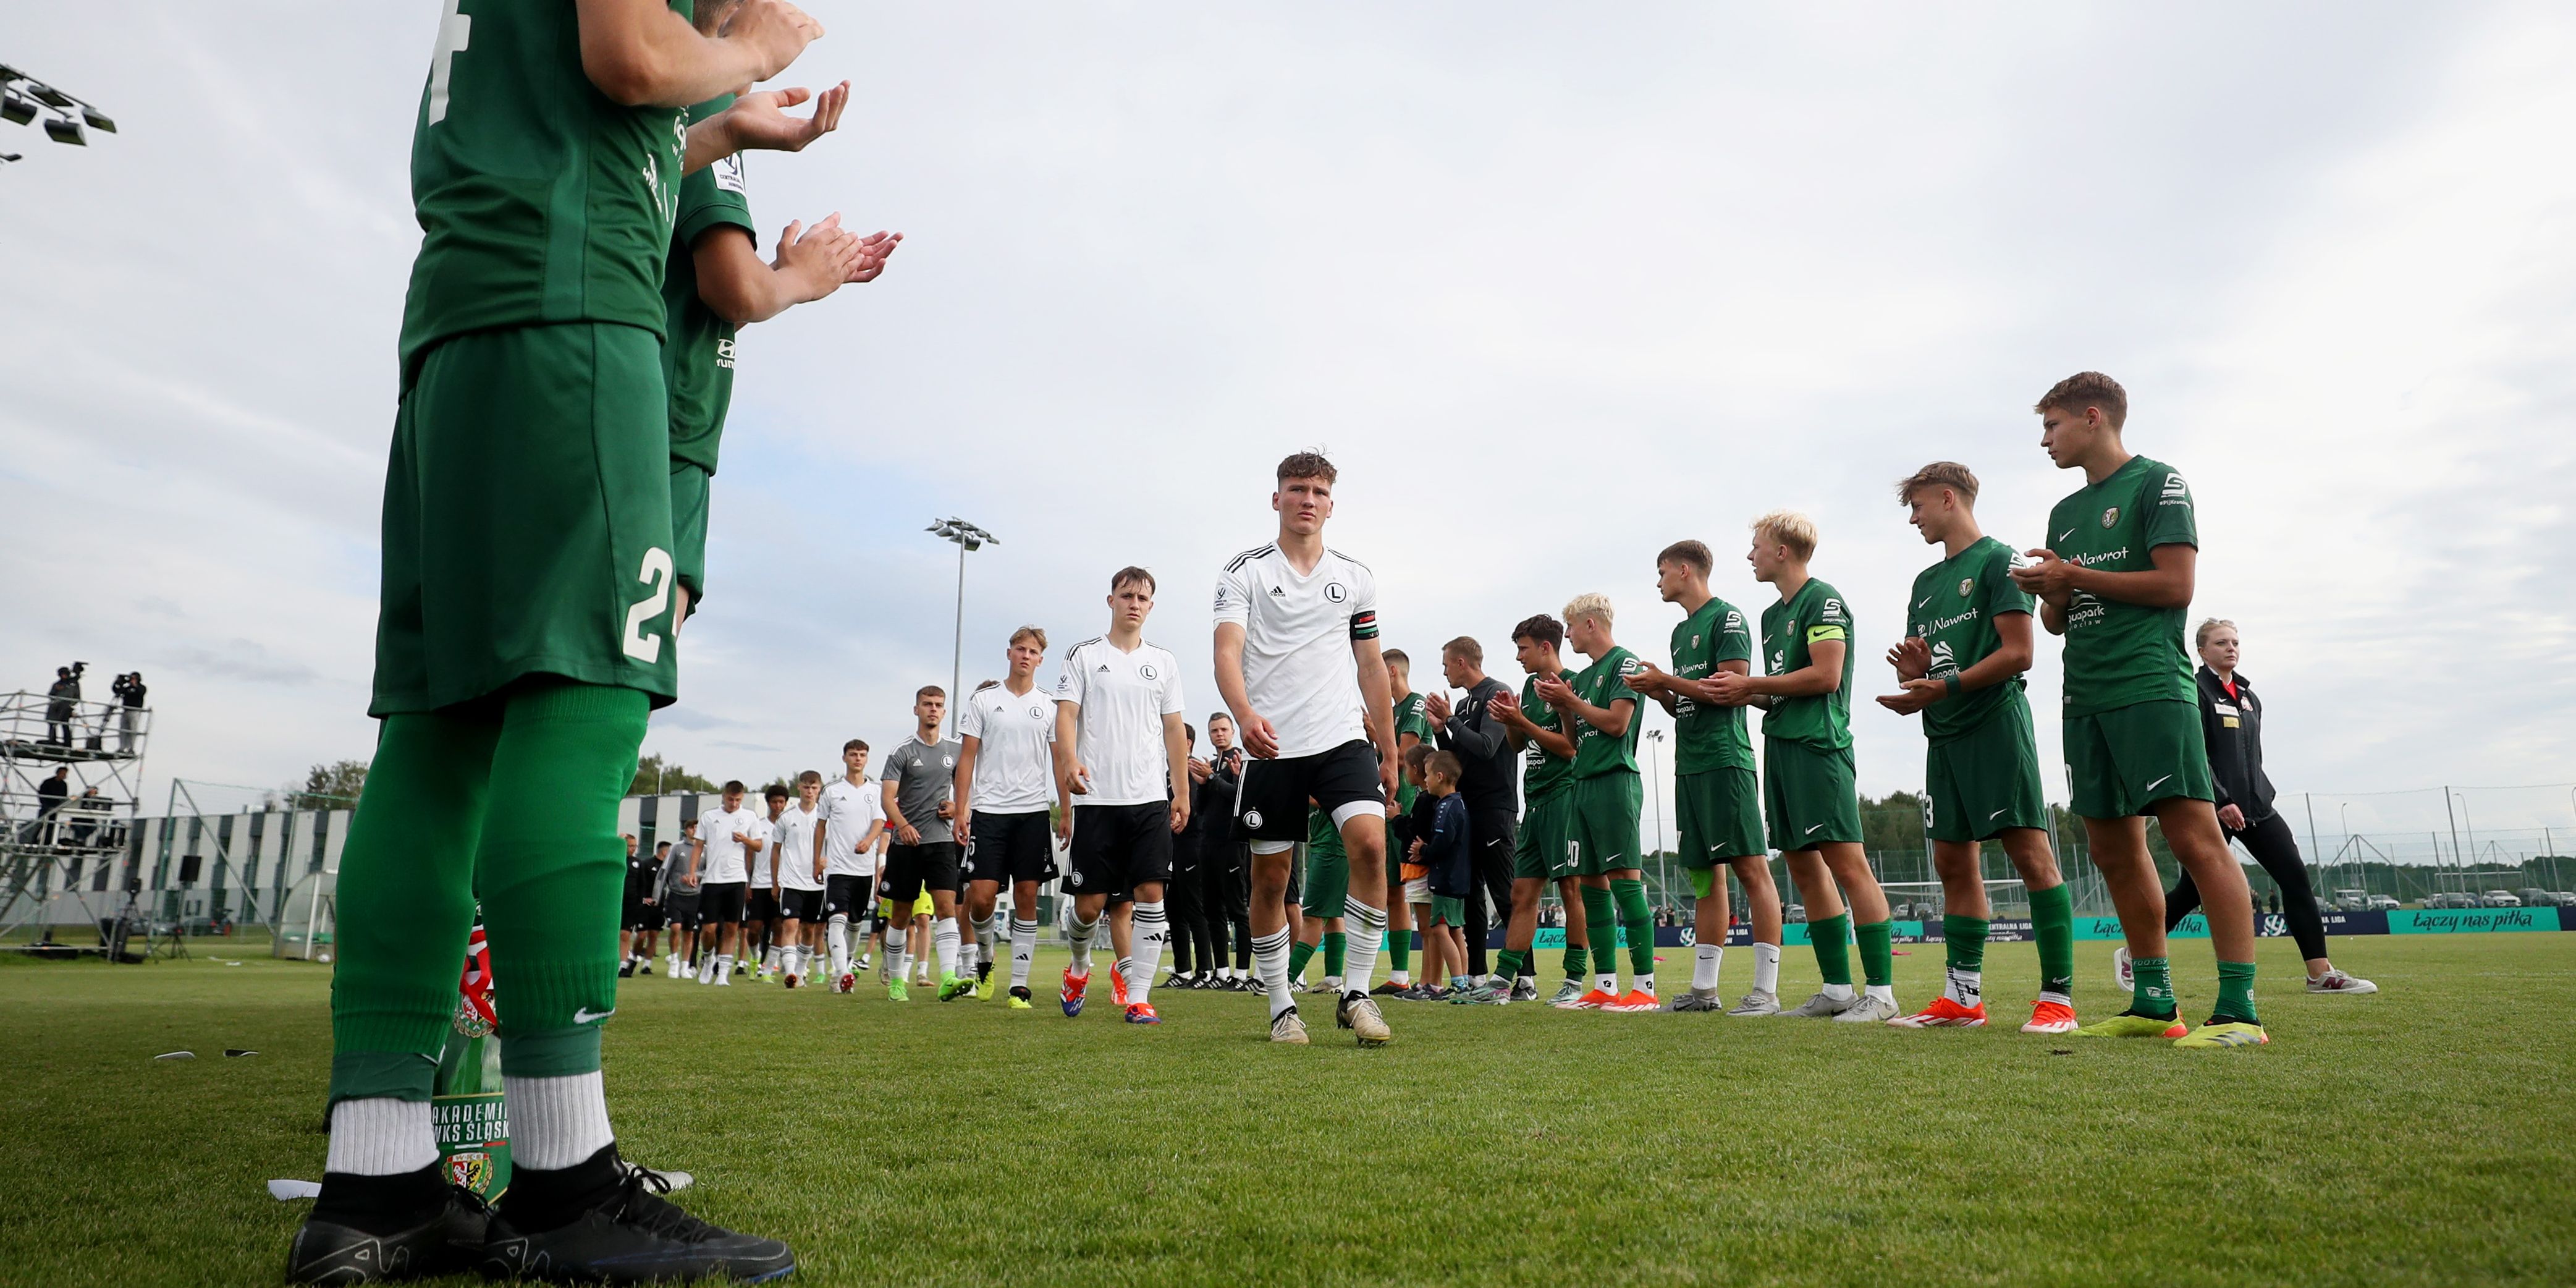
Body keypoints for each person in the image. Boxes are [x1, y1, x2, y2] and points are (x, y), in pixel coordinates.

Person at [286, 3, 863, 1280]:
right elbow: (631, 59)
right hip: (572, 320)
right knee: (581, 704)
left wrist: (714, 122)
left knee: (437, 738)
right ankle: (558, 1178)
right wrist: (752, 55)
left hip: (463, 322)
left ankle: (375, 1180)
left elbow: (602, 95)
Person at [2011, 372, 2268, 1049]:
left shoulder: (2160, 482)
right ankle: (2153, 1001)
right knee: (2109, 846)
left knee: (2192, 839)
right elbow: (2057, 620)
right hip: (2084, 694)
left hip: (2148, 684)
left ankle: (2239, 1011)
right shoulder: (2064, 513)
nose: (2044, 440)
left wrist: (2073, 576)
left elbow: (2174, 585)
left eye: (2051, 426)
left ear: (2092, 418)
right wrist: (2051, 589)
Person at [662, 1, 895, 633]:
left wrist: (781, 269)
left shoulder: (684, 112)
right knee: (620, 665)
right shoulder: (707, 107)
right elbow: (734, 290)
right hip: (665, 430)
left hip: (634, 407)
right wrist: (801, 278)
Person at [1877, 464, 2081, 1033]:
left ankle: (2057, 999)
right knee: (1950, 862)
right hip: (1944, 733)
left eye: (1917, 506)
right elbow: (1942, 664)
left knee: (2030, 858)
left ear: (1948, 499)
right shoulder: (1924, 583)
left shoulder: (1999, 560)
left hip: (1994, 726)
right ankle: (1962, 998)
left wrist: (1942, 685)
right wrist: (1920, 677)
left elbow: (2019, 653)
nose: (1913, 519)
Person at [1212, 451, 1400, 1048]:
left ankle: (1356, 993)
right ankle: (1279, 1007)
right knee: (1271, 880)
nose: (1308, 500)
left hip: (1341, 737)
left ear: (1330, 505)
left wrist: (1389, 749)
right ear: (1277, 499)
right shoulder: (1243, 571)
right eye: (1297, 489)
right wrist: (1243, 714)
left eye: (1319, 491)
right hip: (1272, 745)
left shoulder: (1356, 576)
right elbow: (1226, 651)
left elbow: (1370, 665)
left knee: (1371, 846)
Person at [1708, 511, 1899, 1023]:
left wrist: (1750, 686)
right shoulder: (1772, 616)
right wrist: (1732, 693)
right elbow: (1779, 692)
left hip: (1820, 748)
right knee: (1802, 867)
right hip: (1782, 746)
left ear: (1782, 551)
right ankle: (1837, 988)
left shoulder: (1823, 599)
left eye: (1756, 546)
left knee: (1846, 864)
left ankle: (1880, 993)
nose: (1750, 555)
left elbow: (1826, 675)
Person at [2120, 621, 2375, 995]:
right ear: (2203, 651)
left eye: (2236, 642)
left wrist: (2255, 796)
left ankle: (2320, 973)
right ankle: (2133, 953)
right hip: (2213, 806)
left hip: (2259, 808)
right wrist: (2221, 800)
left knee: (2295, 878)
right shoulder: (2193, 690)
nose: (2231, 648)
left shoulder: (2248, 697)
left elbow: (2251, 757)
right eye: (2221, 643)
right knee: (2191, 892)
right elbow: (2195, 755)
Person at [1623, 540, 1786, 1015]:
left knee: (1750, 869)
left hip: (1724, 759)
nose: (1658, 581)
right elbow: (1687, 704)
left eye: (1662, 572)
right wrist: (1658, 691)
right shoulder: (1680, 633)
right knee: (1702, 874)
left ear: (1685, 570)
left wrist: (1666, 680)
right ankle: (1703, 989)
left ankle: (1765, 991)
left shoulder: (1727, 618)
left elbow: (1730, 690)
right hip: (1688, 762)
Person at [1053, 569, 1191, 1025]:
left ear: (1151, 606)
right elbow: (1067, 716)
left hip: (1148, 798)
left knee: (1151, 894)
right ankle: (1077, 969)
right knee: (1088, 907)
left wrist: (1180, 792)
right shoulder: (1084, 656)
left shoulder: (1164, 662)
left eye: (1143, 597)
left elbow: (1174, 730)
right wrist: (1070, 761)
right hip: (1097, 800)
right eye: (1126, 595)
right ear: (1110, 600)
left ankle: (1137, 997)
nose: (1134, 603)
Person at [1454, 616, 1590, 1006]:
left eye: (1524, 648)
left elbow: (1569, 748)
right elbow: (1515, 744)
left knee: (1570, 889)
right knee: (1521, 890)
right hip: (1535, 801)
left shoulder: (1573, 685)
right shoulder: (1530, 687)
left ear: (1546, 647)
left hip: (1565, 796)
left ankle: (1575, 978)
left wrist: (1522, 720)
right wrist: (1511, 718)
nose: (1518, 657)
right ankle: (1503, 979)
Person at [1540, 593, 1660, 1012]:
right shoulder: (1587, 675)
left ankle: (1644, 988)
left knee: (1625, 883)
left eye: (1570, 626)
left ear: (1590, 623)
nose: (1567, 634)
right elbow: (1574, 743)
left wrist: (1572, 702)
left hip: (1614, 783)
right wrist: (1565, 708)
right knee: (1591, 886)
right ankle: (1605, 985)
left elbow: (1616, 723)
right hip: (1583, 784)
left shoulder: (1623, 663)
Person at [956, 629, 1060, 1010]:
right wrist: (962, 808)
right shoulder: (984, 700)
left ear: (1040, 660)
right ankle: (985, 960)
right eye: (1020, 649)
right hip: (989, 812)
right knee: (981, 899)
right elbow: (967, 758)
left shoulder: (1049, 704)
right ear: (1009, 653)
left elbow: (1059, 760)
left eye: (1033, 652)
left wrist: (1067, 812)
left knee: (1028, 895)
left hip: (1032, 812)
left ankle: (1019, 986)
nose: (1026, 656)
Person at [1425, 637, 1521, 994]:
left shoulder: (1498, 693)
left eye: (1447, 664)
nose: (1445, 671)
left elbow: (1486, 746)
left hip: (1496, 806)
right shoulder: (1465, 704)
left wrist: (1451, 719)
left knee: (1504, 892)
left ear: (1463, 662)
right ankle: (1477, 976)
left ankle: (1524, 978)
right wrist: (1440, 729)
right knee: (1472, 895)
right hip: (1470, 809)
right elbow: (1458, 763)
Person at [880, 688, 963, 1002]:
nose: (933, 710)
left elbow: (968, 788)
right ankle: (898, 982)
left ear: (944, 712)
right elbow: (887, 798)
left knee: (946, 909)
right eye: (927, 705)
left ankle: (948, 978)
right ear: (916, 709)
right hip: (906, 844)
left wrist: (958, 808)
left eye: (938, 706)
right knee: (901, 915)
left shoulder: (955, 749)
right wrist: (903, 825)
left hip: (941, 842)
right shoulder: (901, 751)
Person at [817, 739, 884, 992]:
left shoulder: (876, 790)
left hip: (864, 868)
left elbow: (879, 821)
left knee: (856, 923)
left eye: (862, 755)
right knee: (837, 919)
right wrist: (817, 860)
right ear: (844, 758)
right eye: (853, 754)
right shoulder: (832, 791)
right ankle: (844, 972)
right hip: (837, 868)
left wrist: (868, 841)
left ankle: (843, 968)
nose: (858, 758)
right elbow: (820, 826)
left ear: (867, 759)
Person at [688, 782, 769, 986]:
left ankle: (723, 972)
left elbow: (759, 845)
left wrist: (745, 840)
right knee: (708, 930)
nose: (734, 804)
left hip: (737, 879)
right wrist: (692, 872)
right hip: (712, 880)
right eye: (730, 799)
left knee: (732, 927)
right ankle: (708, 959)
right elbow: (698, 846)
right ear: (723, 797)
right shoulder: (709, 816)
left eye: (738, 800)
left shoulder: (750, 817)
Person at [1196, 714, 1252, 988]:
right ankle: (1221, 972)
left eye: (1223, 730)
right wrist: (1205, 783)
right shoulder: (1213, 764)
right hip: (1208, 843)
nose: (1219, 734)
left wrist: (1213, 779)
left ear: (1233, 732)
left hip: (1233, 843)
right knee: (1213, 909)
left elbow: (1240, 797)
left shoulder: (1239, 761)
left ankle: (1241, 973)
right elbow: (1202, 808)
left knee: (1237, 909)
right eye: (1214, 731)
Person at [1416, 750, 1474, 997]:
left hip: (1445, 880)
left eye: (1428, 775)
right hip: (1460, 879)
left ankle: (1459, 982)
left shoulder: (1445, 807)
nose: (1426, 780)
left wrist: (1423, 850)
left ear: (1440, 777)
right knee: (1455, 930)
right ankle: (1465, 981)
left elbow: (1443, 842)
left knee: (1440, 929)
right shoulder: (1460, 803)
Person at [771, 771, 826, 987]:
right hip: (792, 882)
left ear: (819, 789)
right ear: (799, 788)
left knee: (809, 930)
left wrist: (825, 863)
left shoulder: (825, 816)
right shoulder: (787, 817)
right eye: (806, 787)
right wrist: (776, 882)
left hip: (817, 883)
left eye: (814, 788)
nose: (810, 792)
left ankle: (802, 970)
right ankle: (791, 972)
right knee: (790, 925)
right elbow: (775, 850)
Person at [617, 835, 659, 978]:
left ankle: (627, 962)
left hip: (633, 905)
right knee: (619, 934)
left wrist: (641, 901)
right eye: (630, 846)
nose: (633, 849)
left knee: (632, 935)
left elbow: (642, 884)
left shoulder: (637, 863)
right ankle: (619, 963)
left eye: (635, 846)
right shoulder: (616, 860)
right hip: (616, 903)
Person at [44, 665, 79, 746]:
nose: (64, 676)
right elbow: (51, 695)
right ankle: (52, 741)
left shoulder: (73, 684)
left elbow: (77, 697)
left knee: (65, 725)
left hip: (66, 707)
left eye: (65, 674)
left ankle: (68, 743)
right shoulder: (56, 684)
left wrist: (70, 704)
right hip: (55, 706)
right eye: (62, 674)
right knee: (52, 724)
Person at [112, 671, 146, 752]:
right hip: (126, 710)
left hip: (135, 711)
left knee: (133, 730)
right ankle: (122, 748)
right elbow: (117, 691)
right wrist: (117, 682)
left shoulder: (142, 687)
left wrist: (135, 685)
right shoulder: (127, 688)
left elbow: (140, 693)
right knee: (123, 730)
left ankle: (131, 748)